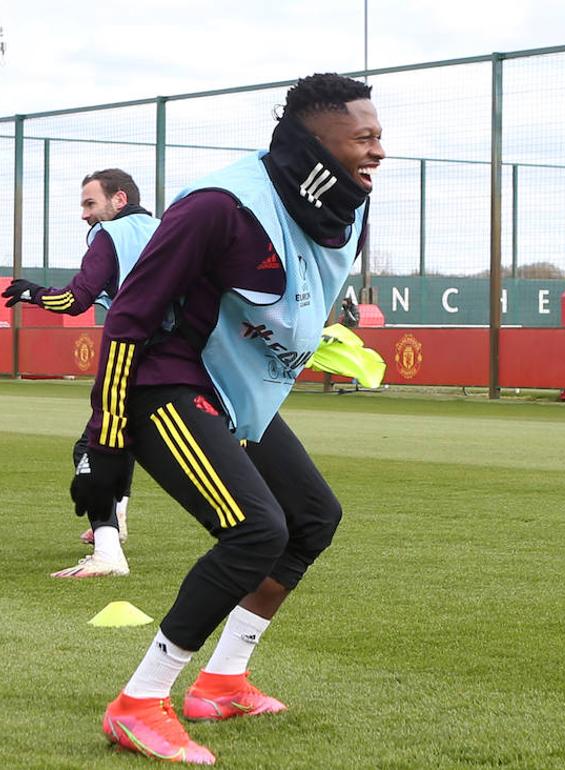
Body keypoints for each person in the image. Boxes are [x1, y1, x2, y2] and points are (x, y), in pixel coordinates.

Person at [70, 73, 383, 764]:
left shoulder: (349, 207)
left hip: (233, 391)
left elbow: (292, 292)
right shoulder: (218, 204)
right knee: (253, 530)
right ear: (312, 143)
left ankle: (222, 682)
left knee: (311, 520)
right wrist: (109, 435)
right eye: (362, 137)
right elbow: (129, 317)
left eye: (379, 136)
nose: (377, 151)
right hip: (162, 380)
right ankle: (138, 703)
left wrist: (322, 337)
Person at [3, 168, 159, 578]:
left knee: (92, 449)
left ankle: (107, 551)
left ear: (119, 200)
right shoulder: (166, 228)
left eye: (90, 204)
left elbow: (75, 299)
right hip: (183, 358)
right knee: (121, 440)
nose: (85, 215)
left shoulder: (111, 236)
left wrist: (31, 292)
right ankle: (118, 513)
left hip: (134, 354)